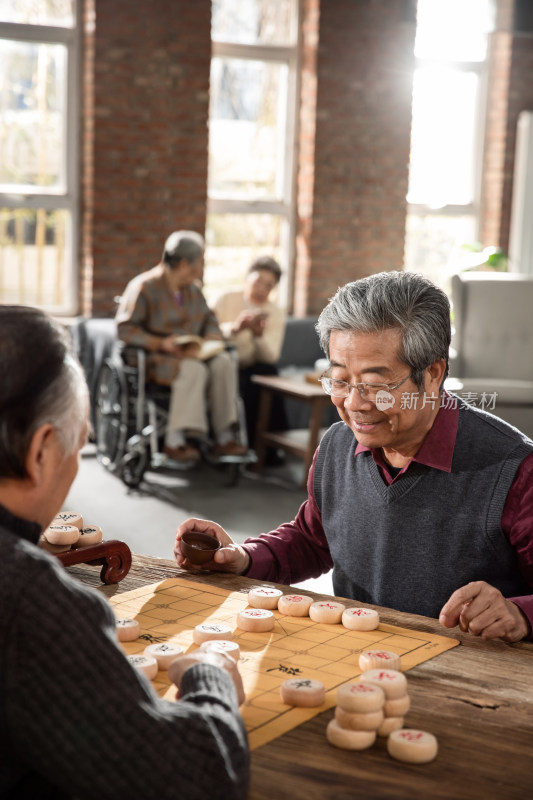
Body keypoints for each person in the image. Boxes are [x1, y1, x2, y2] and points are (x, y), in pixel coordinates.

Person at [174, 271, 533, 643]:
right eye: (340, 380)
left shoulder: (516, 470)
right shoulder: (338, 445)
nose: (354, 404)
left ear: (432, 375)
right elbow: (314, 540)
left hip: (468, 680)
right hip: (355, 660)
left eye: (376, 384)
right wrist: (243, 557)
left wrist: (519, 613)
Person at [0, 306, 249, 799]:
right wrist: (211, 677)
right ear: (42, 453)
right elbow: (200, 779)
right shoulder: (28, 598)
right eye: (80, 445)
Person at [116, 230, 247, 462]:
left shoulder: (193, 289)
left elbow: (209, 320)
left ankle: (224, 436)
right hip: (157, 359)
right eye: (200, 261)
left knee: (223, 363)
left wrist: (212, 337)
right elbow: (125, 329)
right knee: (192, 369)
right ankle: (175, 440)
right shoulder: (144, 287)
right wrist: (160, 343)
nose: (201, 267)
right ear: (186, 263)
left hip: (193, 353)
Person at [212, 256, 287, 448]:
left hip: (252, 365)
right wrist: (235, 329)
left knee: (268, 375)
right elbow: (206, 333)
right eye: (258, 282)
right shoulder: (226, 299)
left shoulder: (275, 313)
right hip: (222, 360)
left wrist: (258, 336)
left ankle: (267, 448)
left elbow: (271, 356)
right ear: (247, 279)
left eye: (269, 285)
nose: (262, 289)